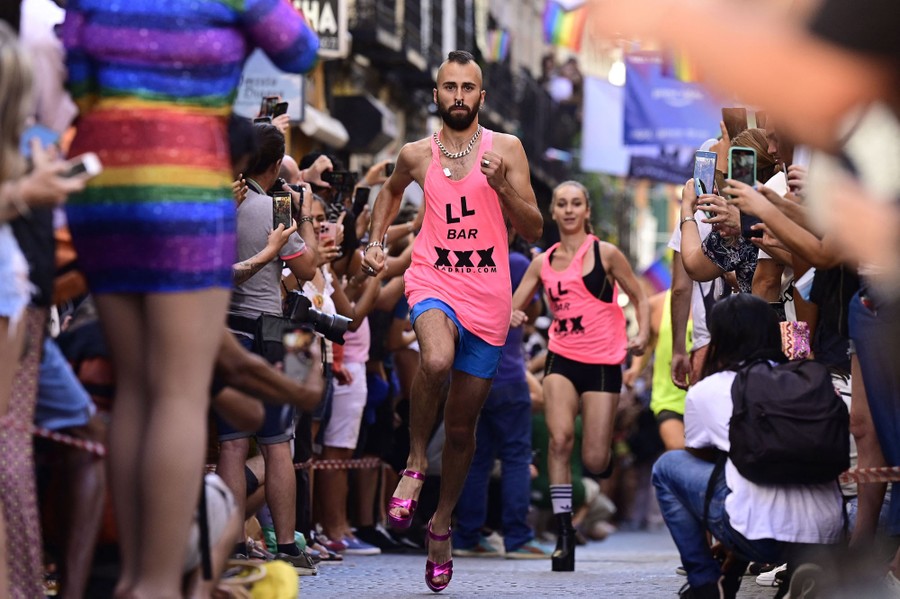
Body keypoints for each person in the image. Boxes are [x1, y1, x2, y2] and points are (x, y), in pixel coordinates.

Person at [60, 2, 319, 595]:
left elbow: (76, 73)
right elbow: (299, 49)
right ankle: (153, 584)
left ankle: (128, 576)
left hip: (103, 179)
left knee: (134, 387)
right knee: (178, 390)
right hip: (186, 183)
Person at [362, 50, 543, 592]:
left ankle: (441, 525)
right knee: (435, 358)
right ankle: (415, 462)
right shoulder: (416, 154)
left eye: (468, 88)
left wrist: (503, 186)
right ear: (436, 95)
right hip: (434, 281)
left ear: (481, 98)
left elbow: (533, 227)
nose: (458, 96)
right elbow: (390, 193)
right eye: (450, 87)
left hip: (488, 296)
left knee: (462, 429)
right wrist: (374, 241)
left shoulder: (506, 149)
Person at [652, 293, 843, 598]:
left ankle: (704, 581)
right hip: (827, 532)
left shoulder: (708, 390)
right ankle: (801, 567)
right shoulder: (808, 379)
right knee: (748, 471)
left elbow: (707, 461)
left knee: (667, 468)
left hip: (762, 537)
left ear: (719, 339)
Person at [510, 180, 649, 571]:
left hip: (604, 362)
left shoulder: (606, 254)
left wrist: (642, 334)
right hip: (561, 358)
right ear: (553, 212)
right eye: (561, 204)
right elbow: (512, 308)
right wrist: (516, 315)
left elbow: (638, 296)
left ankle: (596, 468)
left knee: (593, 456)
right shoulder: (542, 263)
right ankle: (564, 532)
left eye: (576, 204)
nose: (569, 210)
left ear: (586, 211)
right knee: (559, 439)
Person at [452, 230, 549, 559]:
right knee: (516, 457)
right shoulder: (517, 261)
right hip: (508, 374)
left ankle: (466, 536)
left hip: (473, 375)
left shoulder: (464, 260)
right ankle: (518, 538)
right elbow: (533, 312)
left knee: (477, 459)